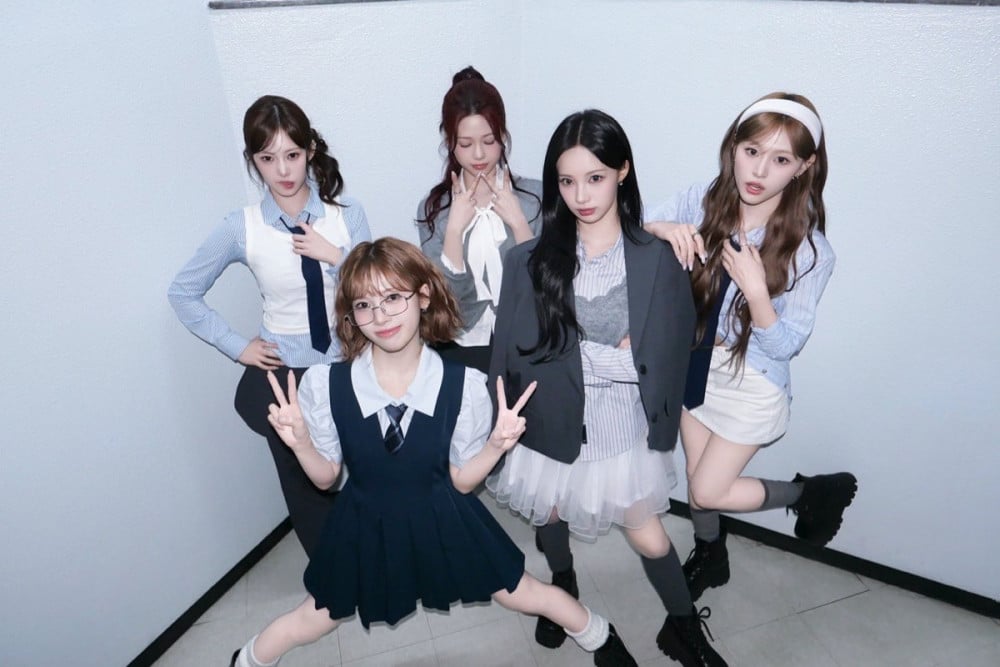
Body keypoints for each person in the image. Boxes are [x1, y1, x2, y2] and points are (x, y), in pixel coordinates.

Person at [229, 238, 637, 667]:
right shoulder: (326, 385)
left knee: (520, 590)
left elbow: (462, 480)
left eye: (393, 297)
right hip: (366, 521)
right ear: (351, 315)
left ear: (423, 295)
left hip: (444, 513)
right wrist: (301, 444)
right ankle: (246, 660)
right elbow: (326, 478)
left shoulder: (462, 385)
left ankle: (601, 636)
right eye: (364, 305)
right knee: (317, 615)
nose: (380, 316)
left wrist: (495, 446)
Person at [488, 110, 726, 667]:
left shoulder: (658, 259)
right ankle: (563, 587)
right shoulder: (529, 261)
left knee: (650, 538)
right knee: (549, 515)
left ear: (622, 171)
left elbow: (660, 364)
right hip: (550, 420)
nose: (580, 196)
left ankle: (683, 627)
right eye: (567, 181)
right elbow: (524, 355)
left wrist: (580, 355)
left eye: (594, 178)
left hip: (619, 429)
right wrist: (611, 356)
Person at [644, 92, 856, 602]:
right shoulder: (703, 200)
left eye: (781, 159)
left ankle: (809, 493)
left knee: (707, 490)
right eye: (752, 151)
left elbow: (785, 345)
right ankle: (711, 555)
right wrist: (661, 229)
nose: (759, 170)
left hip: (753, 384)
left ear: (803, 167)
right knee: (696, 478)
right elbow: (634, 230)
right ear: (733, 148)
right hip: (697, 364)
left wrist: (758, 293)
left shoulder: (811, 250)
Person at [168, 95, 371, 557]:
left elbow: (377, 290)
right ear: (252, 160)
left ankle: (378, 552)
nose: (282, 170)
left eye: (292, 154)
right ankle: (331, 573)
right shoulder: (241, 227)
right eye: (267, 158)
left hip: (349, 362)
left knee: (365, 466)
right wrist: (237, 346)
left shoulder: (347, 214)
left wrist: (334, 256)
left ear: (310, 151)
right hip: (287, 374)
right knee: (302, 483)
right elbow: (183, 292)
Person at [416, 66, 542, 373]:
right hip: (458, 346)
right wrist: (454, 230)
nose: (479, 154)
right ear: (450, 142)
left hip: (528, 343)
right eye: (465, 144)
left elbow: (545, 289)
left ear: (503, 136)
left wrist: (519, 223)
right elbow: (443, 305)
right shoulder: (434, 210)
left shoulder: (535, 198)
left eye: (489, 141)